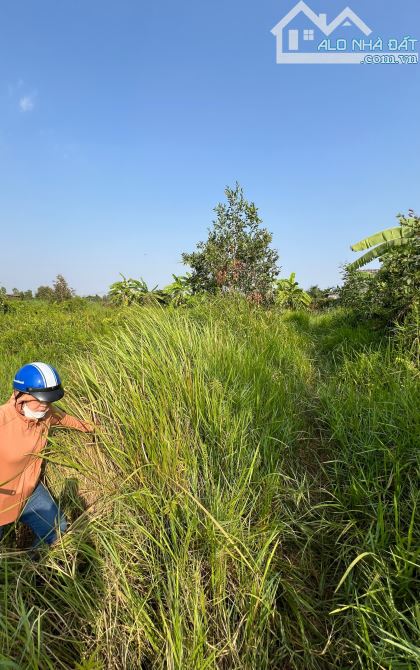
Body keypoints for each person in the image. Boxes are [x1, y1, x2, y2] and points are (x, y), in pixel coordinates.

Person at [0, 361, 95, 552]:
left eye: (49, 400)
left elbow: (66, 419)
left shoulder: (46, 414)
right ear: (21, 396)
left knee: (56, 529)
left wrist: (93, 428)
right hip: (1, 497)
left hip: (30, 491)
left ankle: (31, 569)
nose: (45, 405)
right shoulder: (2, 421)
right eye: (40, 400)